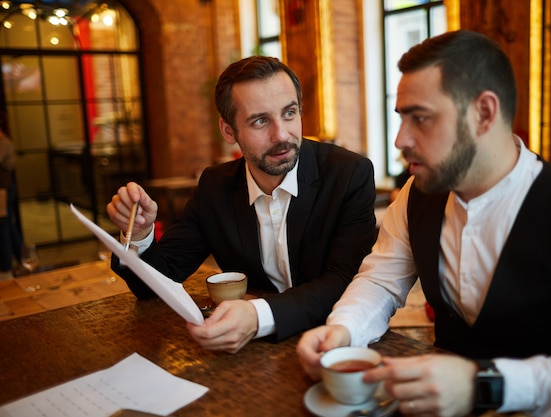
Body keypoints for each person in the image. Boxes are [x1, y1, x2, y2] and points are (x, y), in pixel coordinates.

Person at [297, 30, 551, 417]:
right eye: (401, 118)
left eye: (420, 118)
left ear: (484, 113)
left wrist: (486, 384)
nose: (400, 139)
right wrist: (344, 330)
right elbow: (380, 281)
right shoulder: (416, 196)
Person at [107, 56, 377, 353]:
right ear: (228, 131)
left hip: (336, 345)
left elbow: (346, 282)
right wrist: (140, 233)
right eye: (260, 121)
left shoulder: (348, 174)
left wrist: (258, 316)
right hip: (253, 355)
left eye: (289, 113)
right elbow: (156, 284)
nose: (281, 135)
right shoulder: (216, 186)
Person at [0, 127, 22, 279]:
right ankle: (23, 258)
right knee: (8, 224)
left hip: (3, 189)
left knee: (2, 226)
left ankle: (6, 269)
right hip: (4, 189)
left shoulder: (3, 142)